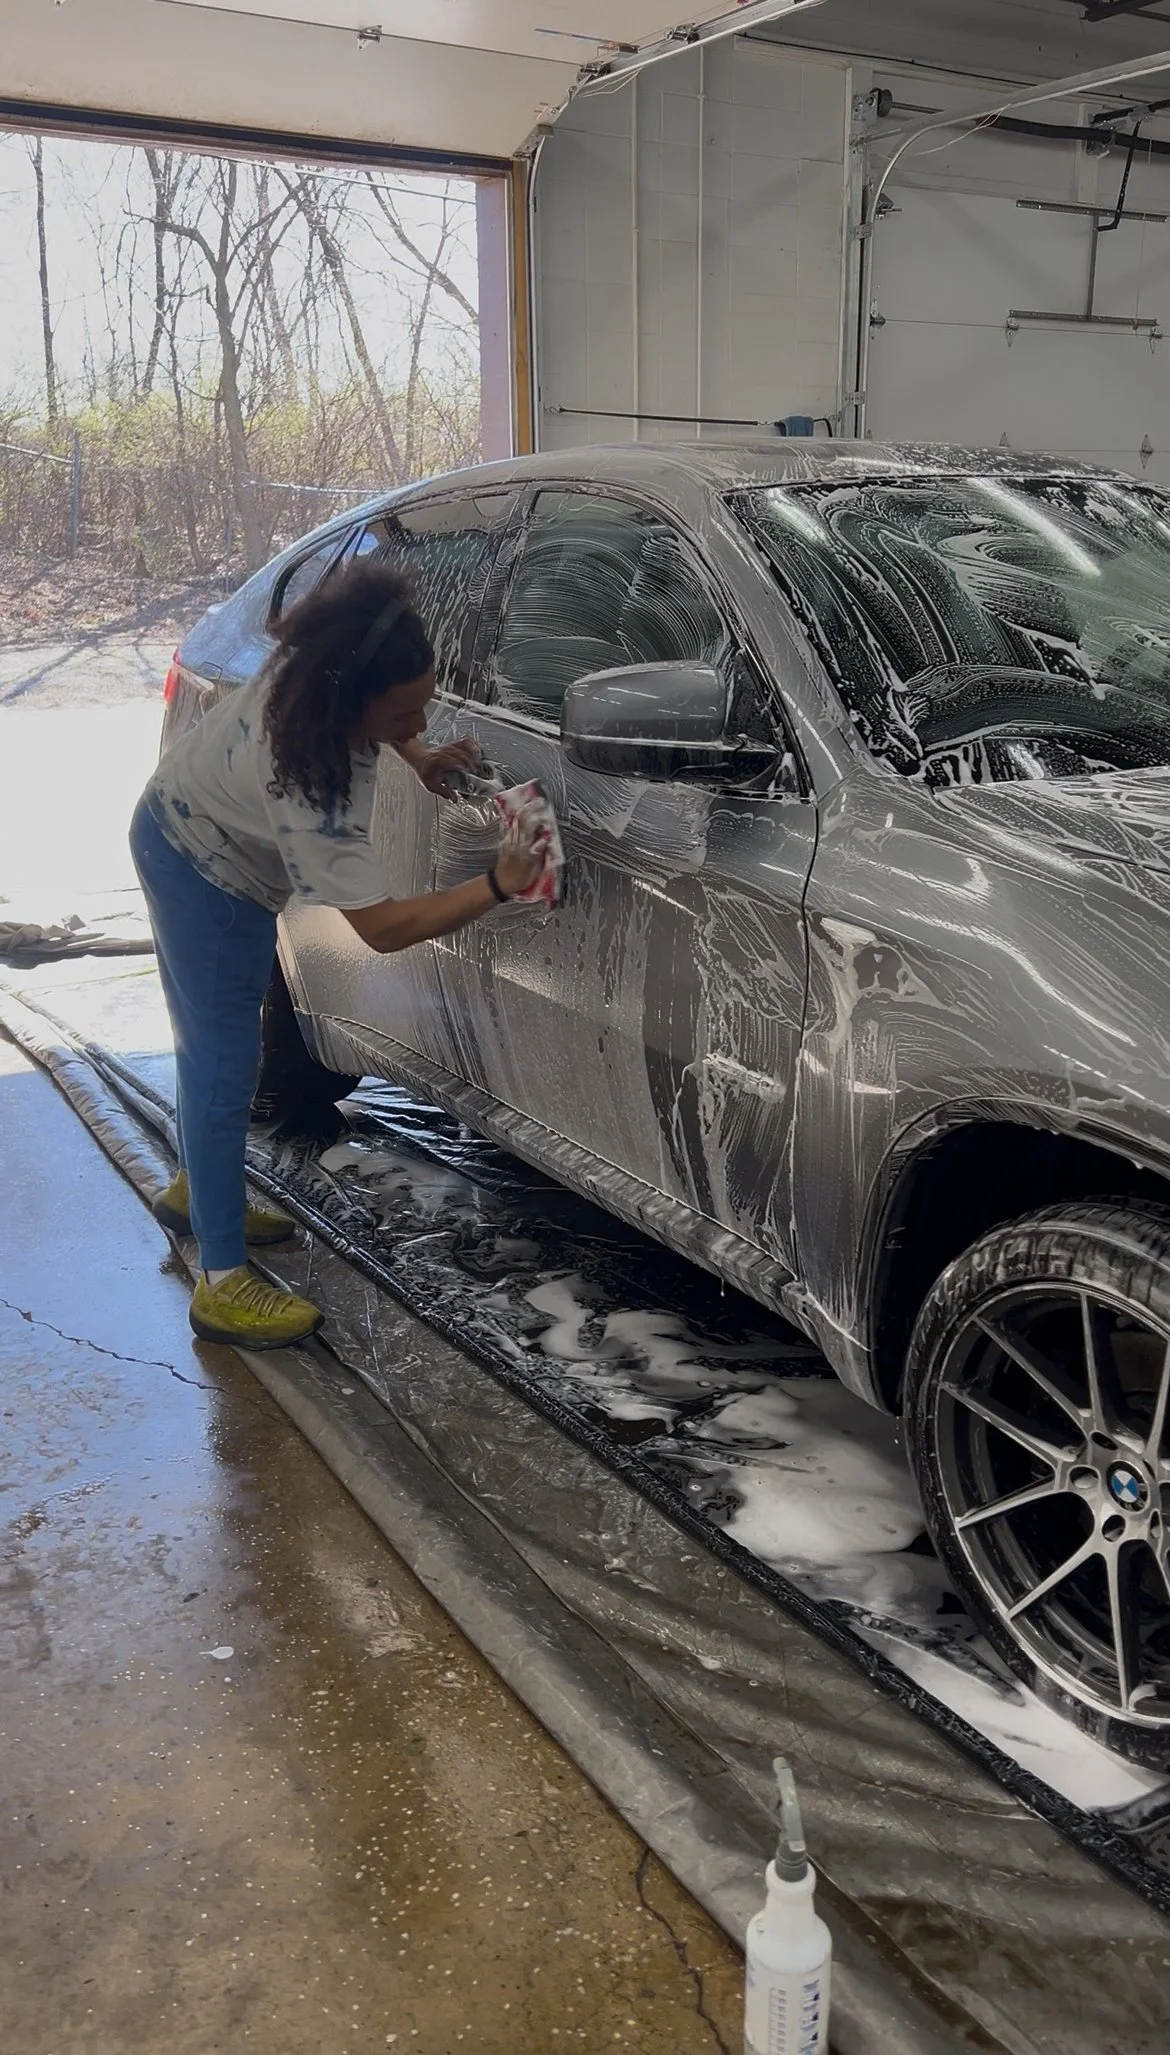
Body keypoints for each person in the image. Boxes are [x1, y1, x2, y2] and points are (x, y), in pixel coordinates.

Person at [129, 558, 545, 1350]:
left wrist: (418, 754)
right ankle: (221, 1283)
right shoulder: (308, 784)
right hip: (203, 872)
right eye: (404, 714)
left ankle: (198, 1190)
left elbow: (382, 704)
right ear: (352, 704)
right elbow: (383, 929)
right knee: (222, 1068)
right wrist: (500, 880)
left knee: (209, 1053)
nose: (417, 717)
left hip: (185, 825)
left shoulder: (326, 661)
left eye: (423, 702)